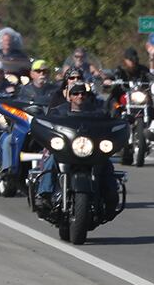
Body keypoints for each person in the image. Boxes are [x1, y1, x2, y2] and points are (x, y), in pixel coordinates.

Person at [34, 81, 116, 209]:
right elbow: (49, 126)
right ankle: (43, 193)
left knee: (107, 163)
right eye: (76, 93)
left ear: (87, 96)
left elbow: (107, 124)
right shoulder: (58, 112)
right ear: (70, 96)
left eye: (83, 93)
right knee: (51, 160)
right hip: (66, 150)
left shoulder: (97, 112)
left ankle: (111, 195)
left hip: (89, 150)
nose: (80, 96)